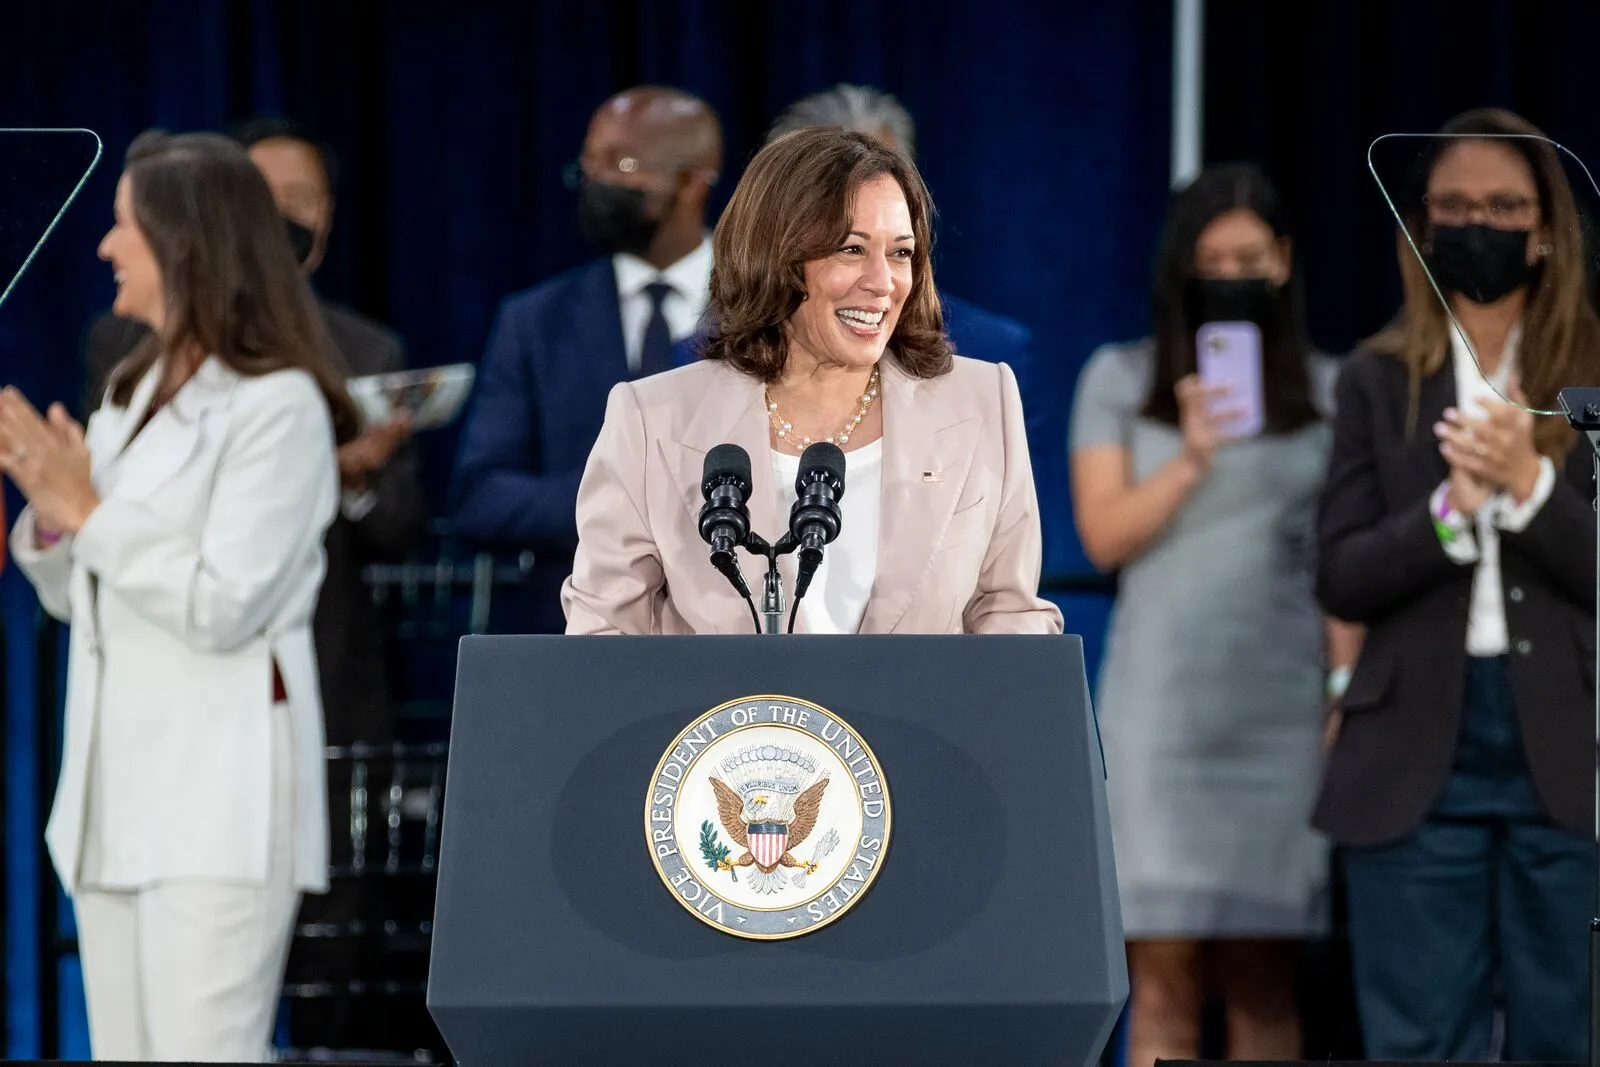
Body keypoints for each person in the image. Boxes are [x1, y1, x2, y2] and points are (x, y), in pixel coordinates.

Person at [1, 130, 358, 1061]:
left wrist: (87, 509)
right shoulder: (131, 390)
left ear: (186, 244)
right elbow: (84, 599)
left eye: (122, 226)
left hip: (216, 809)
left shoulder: (278, 407)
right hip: (112, 802)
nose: (104, 247)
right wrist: (51, 519)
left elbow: (224, 602)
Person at [1316, 108, 1600, 1062]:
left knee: (1565, 1034)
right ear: (1422, 226)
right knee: (1417, 1040)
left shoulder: (1593, 375)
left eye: (1504, 205)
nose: (1479, 223)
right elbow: (1342, 574)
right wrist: (1448, 510)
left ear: (1547, 226)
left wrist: (1530, 487)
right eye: (1455, 206)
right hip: (1412, 751)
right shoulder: (1373, 377)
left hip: (1569, 750)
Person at [1070, 164, 1360, 1067]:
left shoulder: (1335, 387)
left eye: (1249, 255)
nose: (1232, 272)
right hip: (1160, 716)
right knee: (1159, 978)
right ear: (1179, 269)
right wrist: (1191, 456)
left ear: (1282, 264)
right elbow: (1104, 535)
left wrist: (1343, 695)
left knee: (1266, 980)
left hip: (1277, 712)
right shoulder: (1120, 376)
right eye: (1212, 257)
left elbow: (1341, 568)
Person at [561, 126, 1061, 637]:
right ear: (775, 256)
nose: (883, 282)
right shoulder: (652, 419)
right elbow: (603, 632)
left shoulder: (980, 402)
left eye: (901, 253)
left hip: (924, 718)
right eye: (850, 249)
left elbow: (1011, 614)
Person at [81, 115, 426, 749]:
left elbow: (396, 529)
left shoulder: (341, 363)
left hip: (293, 680)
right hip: (142, 683)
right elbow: (82, 553)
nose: (282, 220)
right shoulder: (130, 352)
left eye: (301, 202)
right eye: (265, 197)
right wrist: (55, 514)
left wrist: (345, 476)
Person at [452, 86, 722, 633]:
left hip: (724, 632)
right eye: (590, 162)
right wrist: (625, 496)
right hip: (571, 636)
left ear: (693, 180)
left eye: (622, 163)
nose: (597, 181)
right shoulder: (534, 320)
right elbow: (481, 494)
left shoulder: (766, 308)